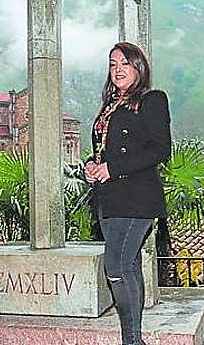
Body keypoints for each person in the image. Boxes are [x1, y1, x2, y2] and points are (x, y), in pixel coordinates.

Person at [85, 41, 172, 345]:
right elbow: (103, 150)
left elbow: (160, 149)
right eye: (113, 64)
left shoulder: (152, 99)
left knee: (117, 266)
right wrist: (92, 165)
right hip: (108, 199)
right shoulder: (110, 105)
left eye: (125, 63)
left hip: (137, 198)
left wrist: (113, 168)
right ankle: (134, 340)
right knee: (129, 266)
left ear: (139, 67)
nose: (118, 69)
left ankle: (132, 341)